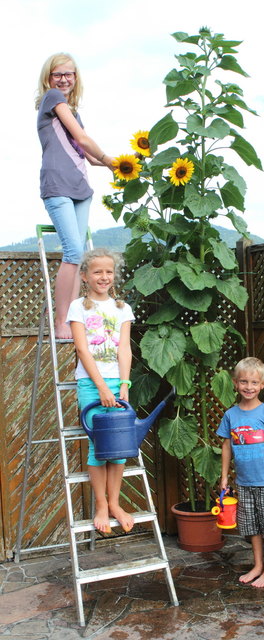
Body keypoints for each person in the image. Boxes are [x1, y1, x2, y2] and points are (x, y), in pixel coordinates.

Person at [36, 52, 114, 339]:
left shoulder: (72, 112)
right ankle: (61, 321)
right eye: (58, 74)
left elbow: (86, 154)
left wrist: (117, 163)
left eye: (69, 74)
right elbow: (83, 139)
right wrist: (110, 160)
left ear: (76, 77)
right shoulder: (52, 98)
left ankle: (71, 315)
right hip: (57, 185)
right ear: (49, 78)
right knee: (72, 253)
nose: (64, 79)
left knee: (79, 256)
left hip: (81, 188)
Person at [66, 248, 135, 534]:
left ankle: (116, 502)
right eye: (97, 272)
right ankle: (101, 504)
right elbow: (82, 350)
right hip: (91, 385)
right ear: (84, 276)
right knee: (97, 446)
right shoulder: (78, 307)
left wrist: (123, 386)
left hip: (117, 387)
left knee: (118, 448)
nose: (103, 276)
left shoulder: (123, 309)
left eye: (108, 271)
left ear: (114, 275)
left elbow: (125, 349)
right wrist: (103, 387)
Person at [217, 357, 264, 588]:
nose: (248, 387)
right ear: (235, 383)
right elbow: (226, 446)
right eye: (244, 382)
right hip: (243, 482)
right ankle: (257, 565)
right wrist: (225, 476)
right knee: (251, 527)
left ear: (263, 384)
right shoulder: (231, 415)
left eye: (254, 383)